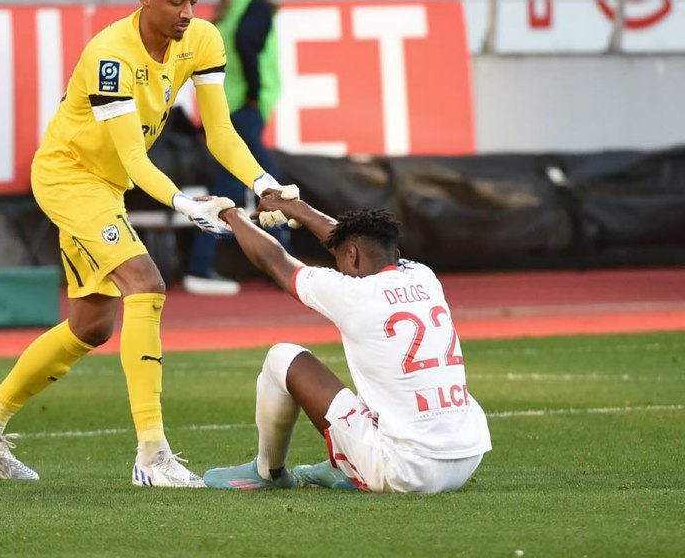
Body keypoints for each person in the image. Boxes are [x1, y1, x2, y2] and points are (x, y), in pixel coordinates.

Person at [0, 0, 297, 487]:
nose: (187, 13)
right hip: (68, 176)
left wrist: (264, 183)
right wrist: (183, 202)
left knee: (90, 325)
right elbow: (134, 157)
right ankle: (152, 455)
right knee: (146, 283)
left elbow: (221, 133)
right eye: (175, 1)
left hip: (106, 185)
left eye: (194, 1)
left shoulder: (202, 39)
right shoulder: (110, 53)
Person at [202, 191, 491, 493]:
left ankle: (267, 471)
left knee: (282, 357)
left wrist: (229, 215)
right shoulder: (424, 276)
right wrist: (295, 209)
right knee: (382, 381)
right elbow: (357, 247)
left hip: (406, 472)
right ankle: (349, 465)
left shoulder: (352, 294)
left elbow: (272, 259)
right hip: (467, 456)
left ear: (350, 255)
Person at [183, 0, 288, 296]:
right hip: (244, 107)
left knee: (229, 184)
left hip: (223, 107)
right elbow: (247, 44)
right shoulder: (257, 7)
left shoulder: (228, 10)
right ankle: (284, 264)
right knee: (269, 184)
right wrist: (257, 93)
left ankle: (201, 265)